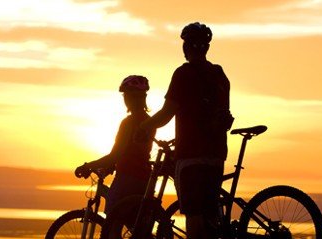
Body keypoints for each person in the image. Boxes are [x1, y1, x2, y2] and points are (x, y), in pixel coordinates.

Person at [140, 22, 233, 239]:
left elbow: (166, 113)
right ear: (206, 48)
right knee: (210, 215)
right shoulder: (219, 74)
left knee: (193, 215)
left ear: (186, 48)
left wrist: (143, 126)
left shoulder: (183, 74)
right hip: (216, 154)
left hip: (191, 155)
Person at [74, 75, 156, 238]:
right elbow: (133, 151)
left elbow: (115, 154)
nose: (124, 99)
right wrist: (111, 165)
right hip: (144, 179)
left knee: (112, 227)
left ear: (131, 98)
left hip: (127, 178)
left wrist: (88, 165)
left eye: (125, 95)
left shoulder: (129, 122)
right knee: (138, 229)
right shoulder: (149, 121)